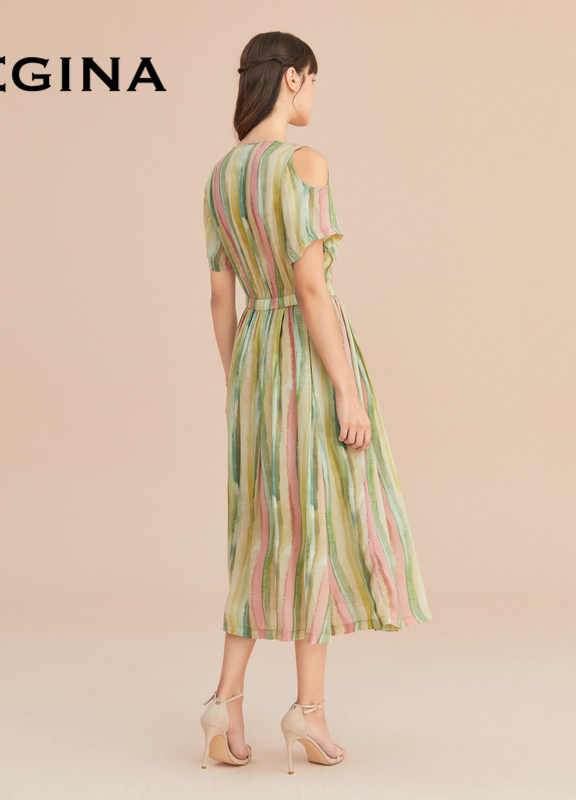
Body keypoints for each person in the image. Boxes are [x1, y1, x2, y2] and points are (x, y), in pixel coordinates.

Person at [199, 31, 432, 773]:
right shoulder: (303, 163)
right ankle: (308, 710)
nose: (313, 95)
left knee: (260, 533)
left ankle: (225, 701)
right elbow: (310, 287)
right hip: (303, 355)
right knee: (317, 526)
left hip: (253, 362)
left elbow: (219, 296)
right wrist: (347, 391)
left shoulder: (220, 176)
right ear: (294, 78)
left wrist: (238, 381)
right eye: (313, 81)